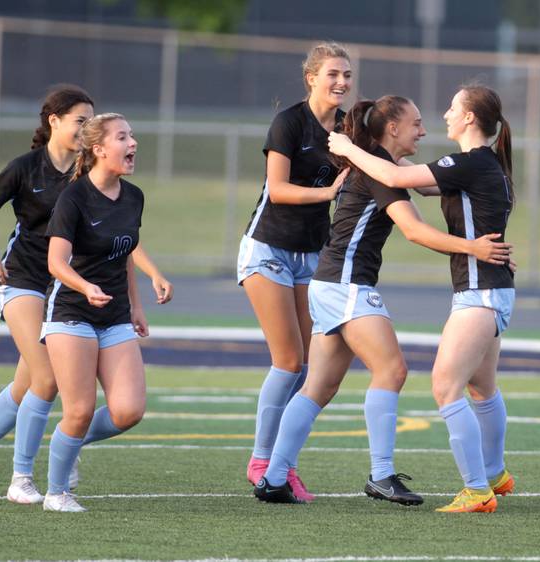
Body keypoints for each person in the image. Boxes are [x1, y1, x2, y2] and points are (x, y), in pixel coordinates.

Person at [254, 95, 512, 505]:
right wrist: (472, 248)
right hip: (346, 283)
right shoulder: (379, 171)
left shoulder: (382, 167)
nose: (423, 130)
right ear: (392, 129)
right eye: (416, 123)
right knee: (392, 369)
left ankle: (272, 475)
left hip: (331, 282)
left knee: (318, 387)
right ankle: (382, 474)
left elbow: (417, 189)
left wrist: (352, 150)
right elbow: (415, 231)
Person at [328, 84, 515, 513]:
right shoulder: (477, 165)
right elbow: (413, 177)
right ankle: (496, 474)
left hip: (481, 292)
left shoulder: (470, 162)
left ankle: (476, 490)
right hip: (491, 288)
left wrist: (348, 147)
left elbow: (394, 178)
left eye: (453, 108)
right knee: (481, 387)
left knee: (445, 387)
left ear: (470, 118)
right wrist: (382, 148)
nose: (444, 116)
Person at [0, 85, 95, 503]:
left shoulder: (88, 171)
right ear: (53, 120)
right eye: (80, 121)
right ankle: (22, 479)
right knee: (48, 378)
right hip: (19, 279)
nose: (87, 129)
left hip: (62, 284)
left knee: (27, 383)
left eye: (92, 122)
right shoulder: (25, 168)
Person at [237, 42, 353, 502]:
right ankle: (263, 462)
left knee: (306, 368)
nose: (341, 82)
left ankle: (282, 464)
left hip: (311, 255)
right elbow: (279, 190)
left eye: (346, 74)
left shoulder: (347, 129)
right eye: (332, 74)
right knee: (287, 361)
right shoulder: (289, 122)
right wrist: (328, 195)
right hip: (267, 249)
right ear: (311, 78)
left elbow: (383, 165)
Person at [40, 112, 171, 512]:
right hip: (70, 311)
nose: (132, 143)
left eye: (132, 135)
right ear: (98, 149)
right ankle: (56, 493)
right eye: (122, 137)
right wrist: (85, 286)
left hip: (113, 314)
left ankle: (70, 441)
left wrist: (135, 303)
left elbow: (125, 250)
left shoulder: (134, 196)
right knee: (77, 410)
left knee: (129, 410)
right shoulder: (74, 197)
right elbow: (56, 262)